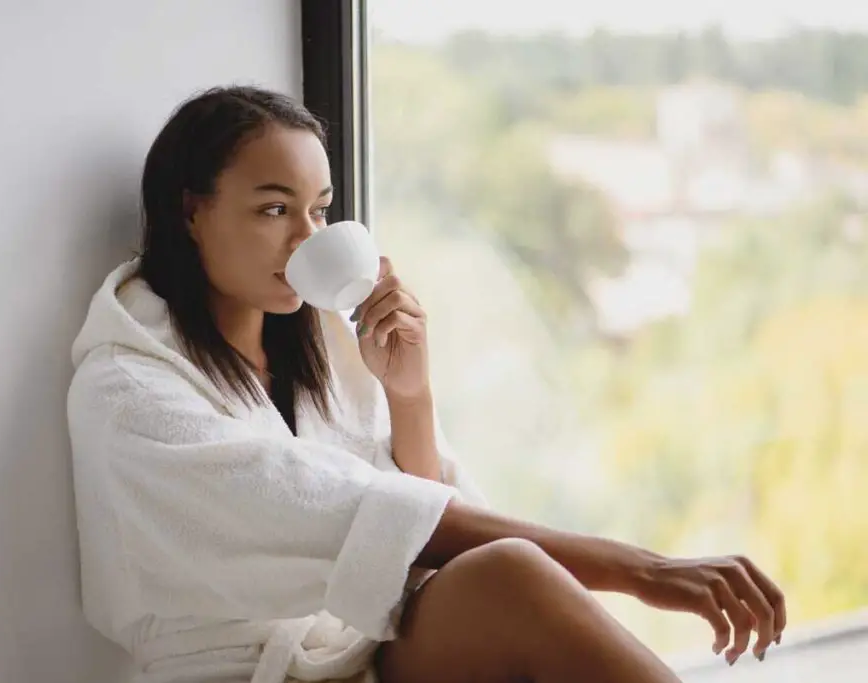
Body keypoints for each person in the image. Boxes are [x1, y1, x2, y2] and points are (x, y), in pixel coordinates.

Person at [67, 86, 787, 683]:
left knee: (507, 578)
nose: (306, 238)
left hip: (353, 653)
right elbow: (382, 524)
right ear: (193, 212)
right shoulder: (128, 394)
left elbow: (410, 520)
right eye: (274, 209)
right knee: (509, 572)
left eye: (319, 209)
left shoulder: (319, 347)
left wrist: (409, 393)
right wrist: (646, 572)